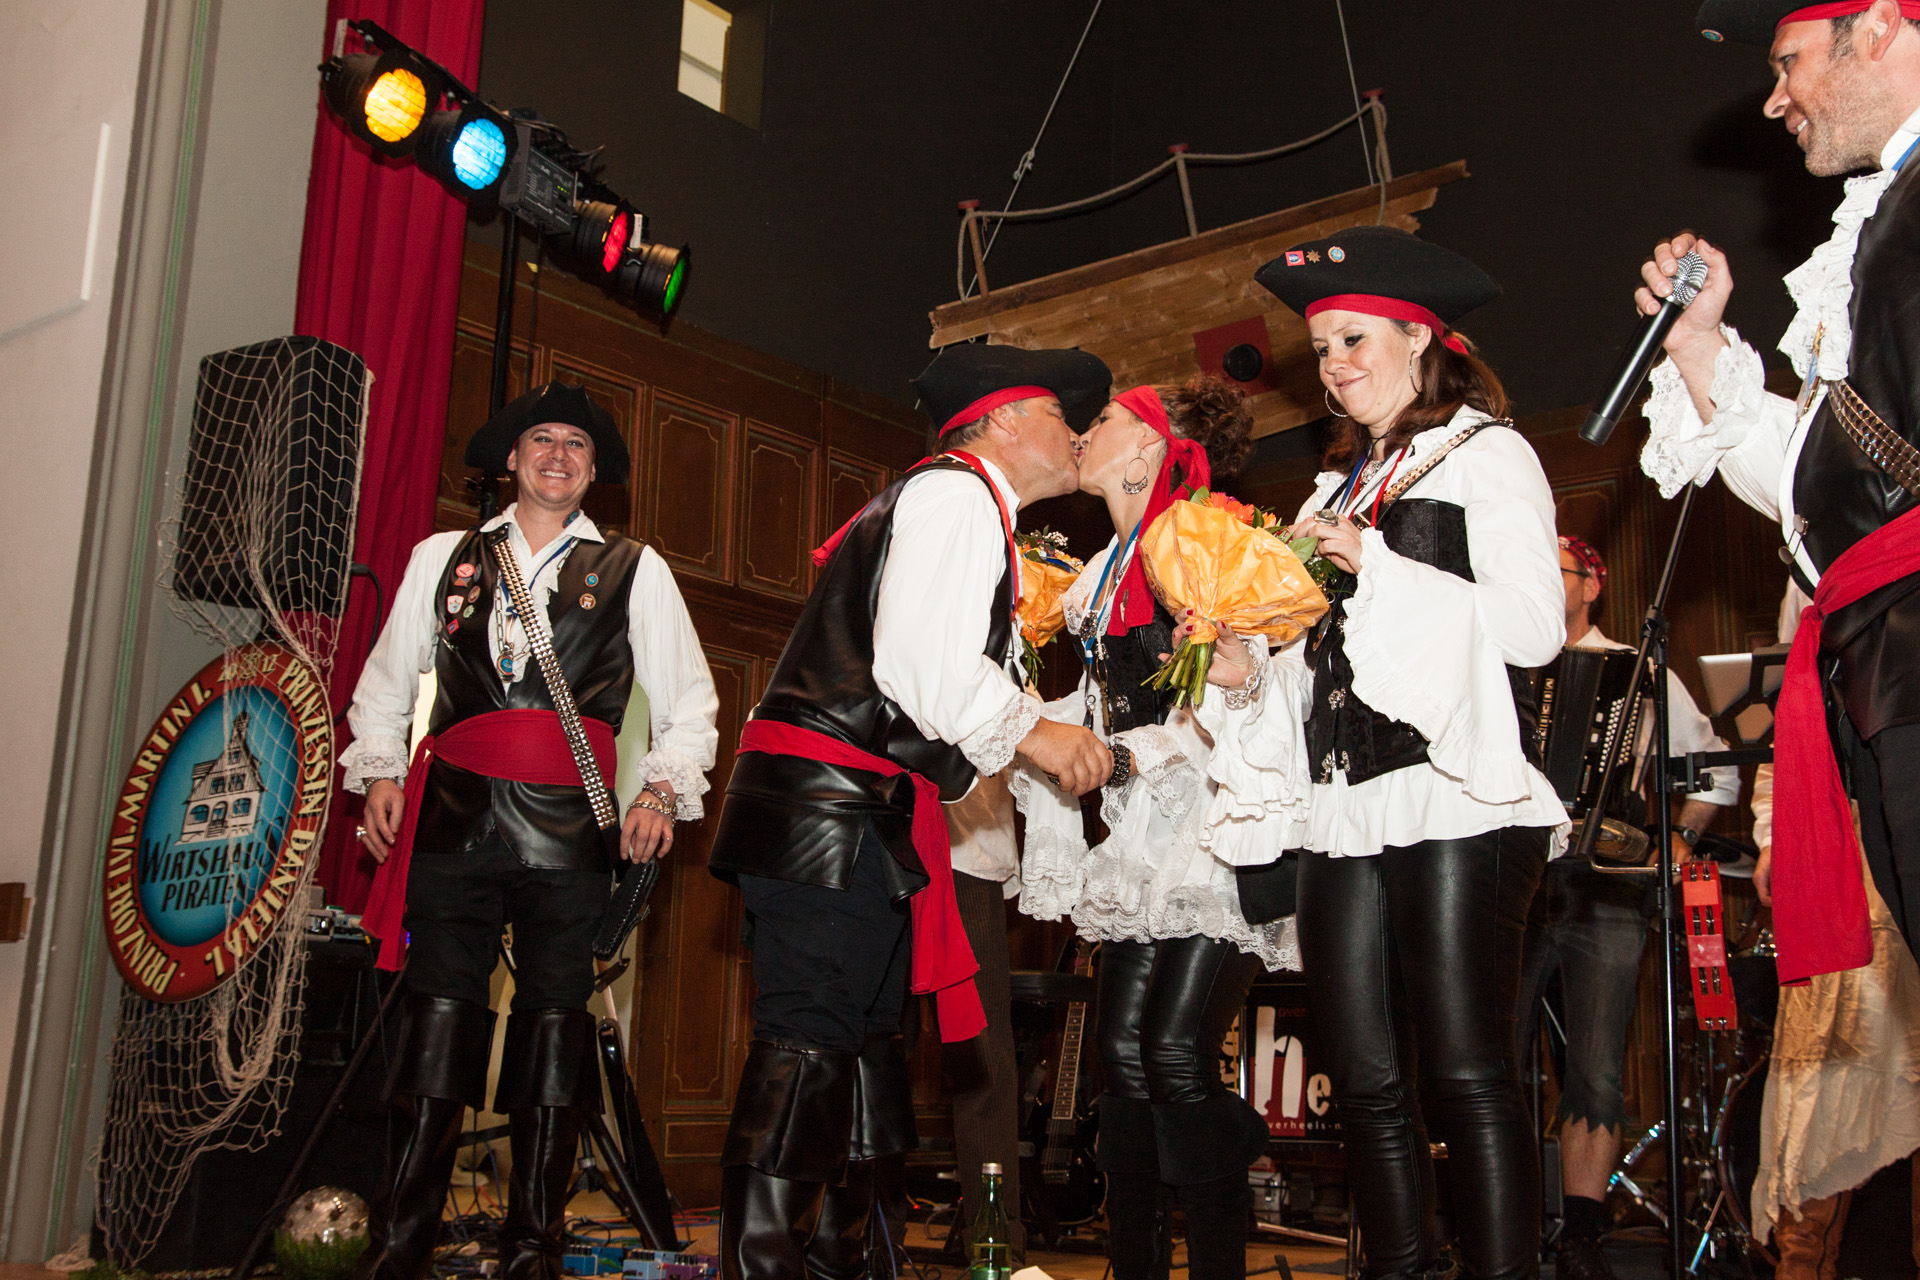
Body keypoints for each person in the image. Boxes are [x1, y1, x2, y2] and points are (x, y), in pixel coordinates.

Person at [705, 344, 1116, 1280]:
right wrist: (1037, 734)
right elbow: (920, 666)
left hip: (857, 817)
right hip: (831, 814)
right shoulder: (955, 495)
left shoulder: (953, 503)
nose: (1077, 433)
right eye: (1062, 414)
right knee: (812, 1041)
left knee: (859, 1050)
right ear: (1003, 419)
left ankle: (847, 1264)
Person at [338, 381, 721, 1280]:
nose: (557, 455)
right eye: (542, 439)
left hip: (569, 826)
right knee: (437, 1019)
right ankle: (401, 1243)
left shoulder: (636, 569)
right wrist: (382, 771)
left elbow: (692, 703)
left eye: (576, 445)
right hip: (453, 816)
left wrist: (659, 793)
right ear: (511, 459)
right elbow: (385, 681)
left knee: (555, 1022)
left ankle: (531, 1249)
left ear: (594, 471)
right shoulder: (442, 557)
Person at [1256, 226, 1569, 1280]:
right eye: (1323, 349)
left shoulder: (1488, 453)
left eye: (1354, 339)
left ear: (1420, 338)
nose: (1335, 365)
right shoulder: (1331, 491)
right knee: (1366, 1081)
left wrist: (1379, 567)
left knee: (1468, 1073)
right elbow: (1314, 665)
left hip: (1457, 791)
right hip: (1345, 800)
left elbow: (1533, 628)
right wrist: (1245, 661)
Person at [1634, 0, 1920, 978]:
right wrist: (1698, 347)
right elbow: (1832, 495)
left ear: (1876, 26)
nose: (1774, 99)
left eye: (1788, 61)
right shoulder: (1886, 212)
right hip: (1885, 655)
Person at [1016, 375, 1295, 1280]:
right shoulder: (1098, 572)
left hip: (1214, 827)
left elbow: (1240, 696)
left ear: (1150, 444)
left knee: (1174, 1054)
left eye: (1102, 419)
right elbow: (1100, 706)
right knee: (1121, 1058)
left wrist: (1120, 755)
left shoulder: (1206, 541)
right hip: (1141, 834)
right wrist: (1029, 730)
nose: (1083, 431)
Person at [1514, 535, 1741, 1280]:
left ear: (1592, 587)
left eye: (1556, 569)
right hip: (1513, 884)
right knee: (1492, 1061)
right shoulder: (1501, 660)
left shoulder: (1639, 670)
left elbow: (1717, 773)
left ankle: (1580, 1235)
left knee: (1597, 1067)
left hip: (1607, 884)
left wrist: (1679, 838)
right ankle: (1503, 1227)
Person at [1746, 581, 1920, 1280]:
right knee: (1827, 1077)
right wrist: (1774, 833)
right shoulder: (1815, 565)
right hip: (1846, 844)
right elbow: (1796, 706)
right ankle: (1803, 1265)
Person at [938, 770, 1029, 1263]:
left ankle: (993, 1245)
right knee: (870, 1044)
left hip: (968, 849)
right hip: (874, 837)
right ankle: (857, 1241)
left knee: (984, 1052)